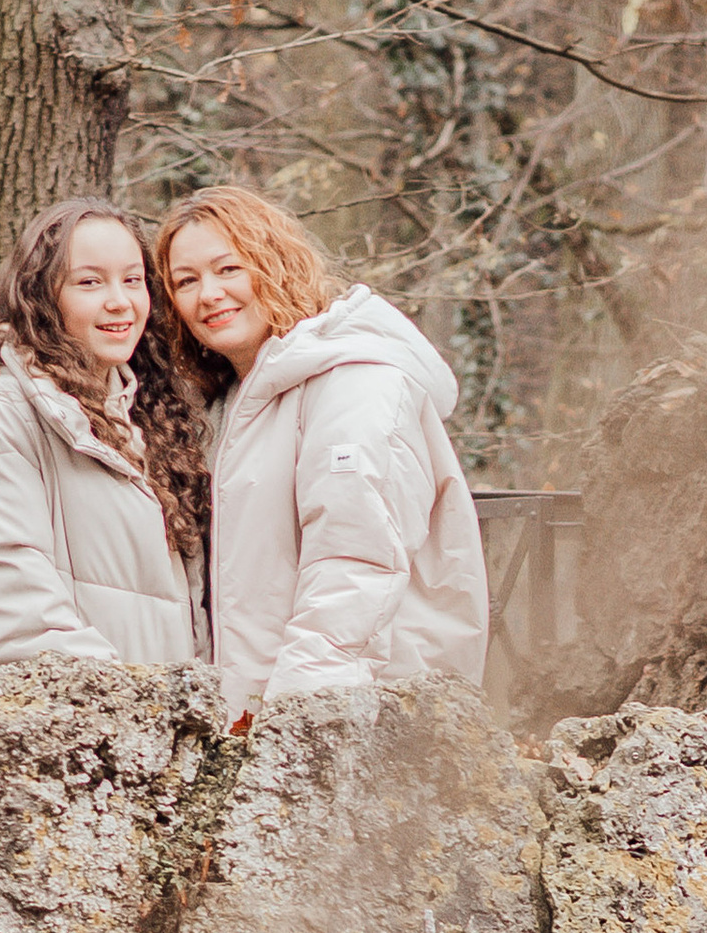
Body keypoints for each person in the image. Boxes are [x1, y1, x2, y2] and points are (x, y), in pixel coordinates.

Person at [156, 185, 486, 716]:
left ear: (275, 265)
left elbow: (353, 569)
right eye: (185, 281)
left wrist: (296, 721)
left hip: (352, 719)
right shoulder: (229, 403)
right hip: (255, 717)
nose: (209, 294)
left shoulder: (355, 383)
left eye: (228, 269)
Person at [0, 199, 208, 681]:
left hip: (138, 717)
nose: (120, 301)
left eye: (133, 280)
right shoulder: (0, 414)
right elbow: (18, 610)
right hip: (41, 716)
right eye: (90, 282)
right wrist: (124, 706)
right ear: (43, 298)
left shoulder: (150, 422)